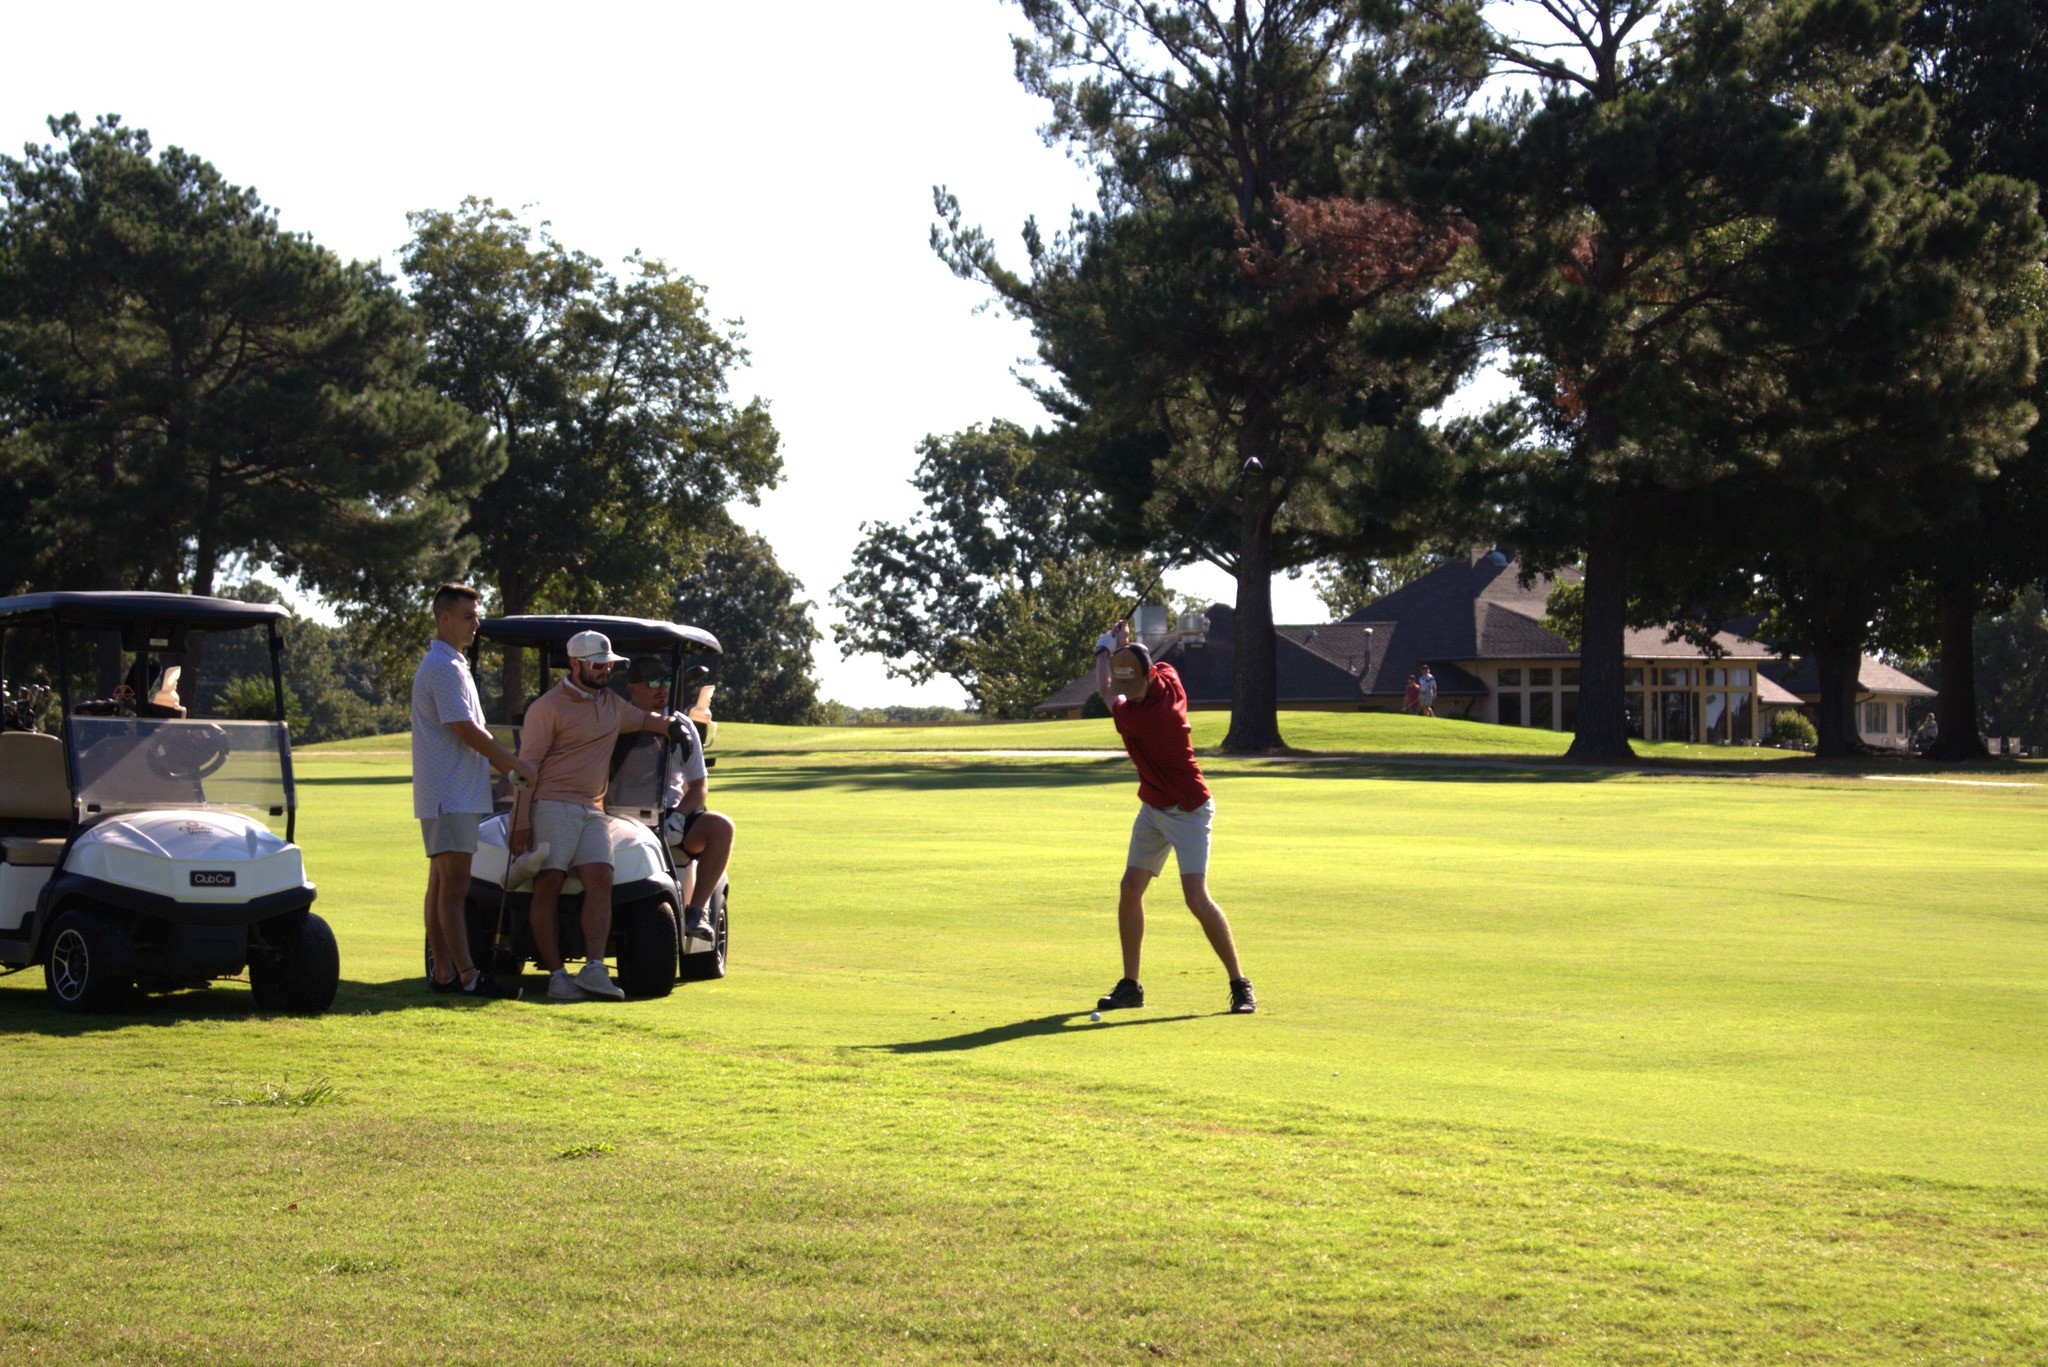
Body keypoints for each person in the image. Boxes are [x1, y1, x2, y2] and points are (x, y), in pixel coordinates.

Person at [511, 630, 695, 1001]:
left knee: (601, 878)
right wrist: (521, 821)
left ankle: (594, 969)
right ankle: (558, 976)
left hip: (593, 808)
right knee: (548, 884)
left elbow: (643, 720)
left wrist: (675, 727)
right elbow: (525, 769)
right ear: (576, 664)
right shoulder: (547, 708)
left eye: (608, 665)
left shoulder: (610, 702)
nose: (604, 671)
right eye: (598, 665)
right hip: (552, 803)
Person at [1090, 619, 1255, 1015]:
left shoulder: (1146, 718)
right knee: (1130, 888)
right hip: (1153, 806)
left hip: (1189, 810)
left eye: (1132, 685)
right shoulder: (1168, 675)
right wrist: (1125, 646)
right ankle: (1131, 986)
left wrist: (1103, 648)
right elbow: (1129, 672)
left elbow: (1104, 688)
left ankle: (1240, 984)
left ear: (1146, 677)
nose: (1127, 693)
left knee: (1196, 897)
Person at [411, 582, 536, 1000]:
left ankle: (445, 973)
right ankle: (467, 975)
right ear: (444, 618)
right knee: (454, 890)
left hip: (450, 794)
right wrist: (512, 763)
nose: (476, 625)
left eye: (476, 616)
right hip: (451, 796)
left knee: (441, 886)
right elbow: (466, 729)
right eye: (468, 617)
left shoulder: (451, 664)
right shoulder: (444, 667)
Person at [624, 659, 735, 945]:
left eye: (666, 682)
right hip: (617, 812)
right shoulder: (615, 720)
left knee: (721, 827)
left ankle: (696, 910)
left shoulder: (682, 724)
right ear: (632, 689)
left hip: (669, 813)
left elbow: (699, 785)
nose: (661, 690)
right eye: (652, 684)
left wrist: (681, 816)